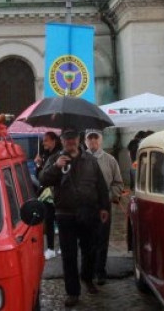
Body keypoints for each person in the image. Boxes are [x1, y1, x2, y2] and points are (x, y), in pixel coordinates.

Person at [38, 127, 110, 308]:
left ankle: (87, 278)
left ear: (79, 140)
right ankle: (72, 292)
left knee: (90, 250)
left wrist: (104, 207)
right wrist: (56, 167)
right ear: (62, 141)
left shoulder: (90, 160)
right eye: (67, 139)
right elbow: (43, 179)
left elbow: (100, 185)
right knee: (69, 255)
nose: (70, 142)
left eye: (73, 138)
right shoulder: (55, 159)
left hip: (89, 212)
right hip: (65, 214)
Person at [84, 129, 124, 285]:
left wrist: (108, 197)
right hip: (86, 207)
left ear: (101, 141)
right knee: (87, 241)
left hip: (103, 207)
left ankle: (100, 271)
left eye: (96, 138)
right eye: (90, 139)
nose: (93, 141)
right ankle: (88, 271)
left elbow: (118, 183)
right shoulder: (80, 159)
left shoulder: (110, 160)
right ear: (85, 141)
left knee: (102, 240)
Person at [34, 131, 61, 260]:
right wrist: (39, 165)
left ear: (53, 141)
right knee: (49, 220)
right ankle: (50, 248)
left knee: (60, 220)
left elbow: (53, 175)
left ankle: (61, 246)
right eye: (43, 140)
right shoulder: (45, 155)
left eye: (46, 140)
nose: (43, 143)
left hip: (56, 193)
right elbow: (40, 177)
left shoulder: (59, 155)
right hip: (46, 194)